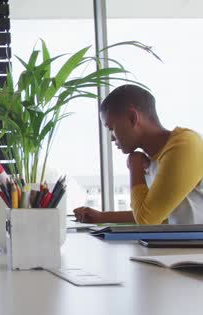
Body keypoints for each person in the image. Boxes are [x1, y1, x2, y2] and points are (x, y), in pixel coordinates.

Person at [74, 84, 203, 225]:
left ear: (132, 118)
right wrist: (102, 217)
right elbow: (156, 212)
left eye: (111, 128)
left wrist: (135, 168)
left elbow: (147, 220)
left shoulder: (185, 144)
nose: (111, 138)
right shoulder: (154, 159)